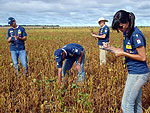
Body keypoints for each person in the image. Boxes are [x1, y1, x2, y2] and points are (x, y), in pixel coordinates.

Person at [104, 10, 149, 113]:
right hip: (134, 72)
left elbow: (142, 57)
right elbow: (126, 51)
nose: (120, 30)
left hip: (138, 73)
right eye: (118, 28)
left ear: (127, 22)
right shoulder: (127, 33)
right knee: (136, 104)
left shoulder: (136, 35)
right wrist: (109, 48)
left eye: (121, 27)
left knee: (127, 104)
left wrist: (123, 54)